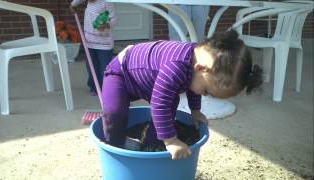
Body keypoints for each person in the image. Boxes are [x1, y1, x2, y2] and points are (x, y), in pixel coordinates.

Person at [101, 30, 263, 160]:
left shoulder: (197, 62)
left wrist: (195, 111)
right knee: (115, 112)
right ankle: (115, 145)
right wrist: (171, 140)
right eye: (207, 91)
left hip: (148, 81)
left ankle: (151, 143)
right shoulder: (176, 67)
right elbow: (159, 104)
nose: (203, 94)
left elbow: (193, 86)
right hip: (122, 73)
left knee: (172, 100)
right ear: (200, 69)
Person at [70, 0, 117, 95]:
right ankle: (94, 86)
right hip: (89, 41)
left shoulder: (107, 2)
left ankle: (105, 87)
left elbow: (114, 19)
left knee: (105, 67)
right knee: (91, 65)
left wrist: (106, 25)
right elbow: (76, 2)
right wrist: (72, 5)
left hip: (104, 44)